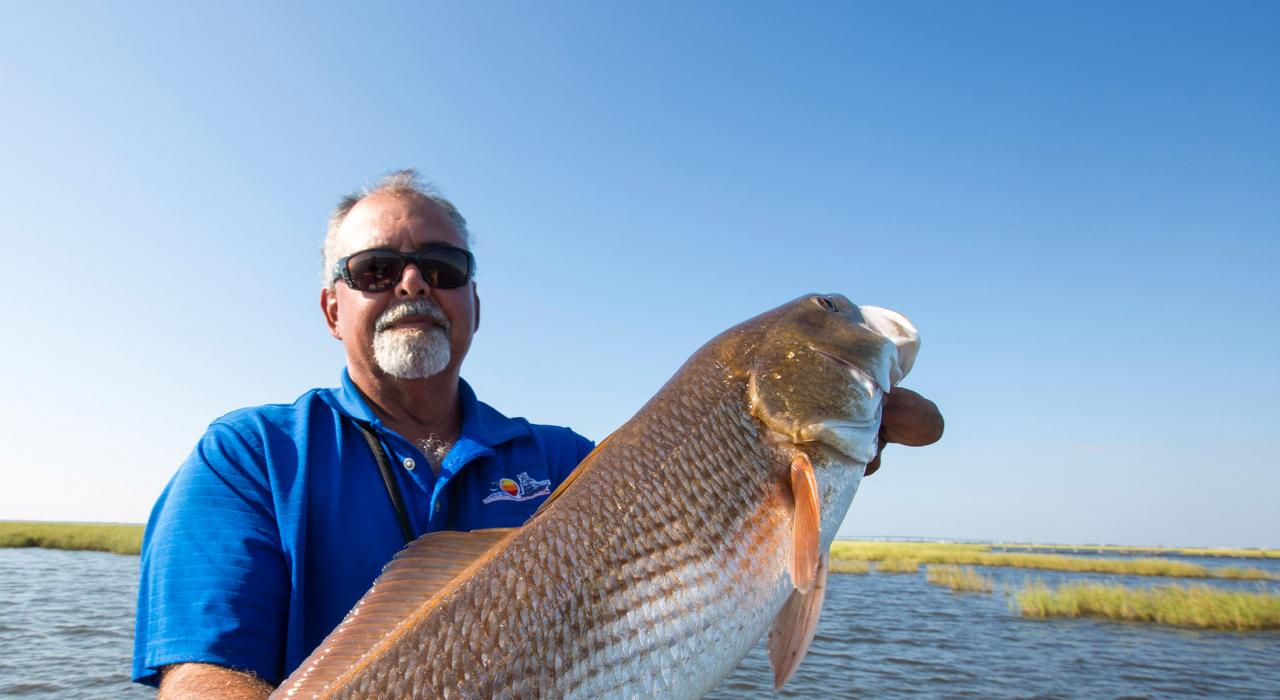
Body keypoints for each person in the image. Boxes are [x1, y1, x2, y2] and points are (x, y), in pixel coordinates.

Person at [132, 170, 944, 698]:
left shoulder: (567, 462)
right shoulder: (247, 457)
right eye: (375, 269)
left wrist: (820, 474)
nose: (414, 283)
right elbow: (203, 680)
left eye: (443, 270)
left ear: (474, 307)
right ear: (331, 307)